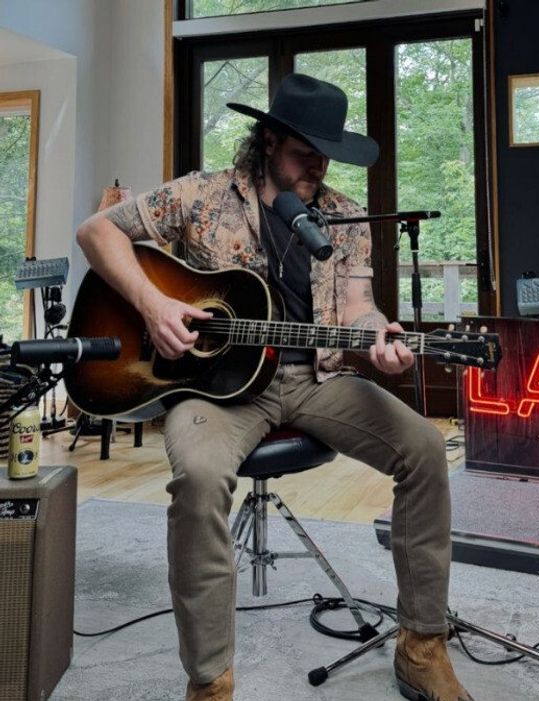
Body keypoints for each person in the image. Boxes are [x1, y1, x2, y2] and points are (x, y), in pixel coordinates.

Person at [75, 74, 472, 701]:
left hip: (313, 378)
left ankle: (422, 647)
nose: (315, 167)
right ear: (266, 141)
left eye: (323, 155)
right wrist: (153, 305)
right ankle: (210, 680)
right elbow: (97, 231)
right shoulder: (202, 195)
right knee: (200, 481)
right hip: (215, 391)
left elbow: (359, 308)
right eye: (302, 153)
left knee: (423, 448)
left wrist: (383, 341)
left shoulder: (343, 216)